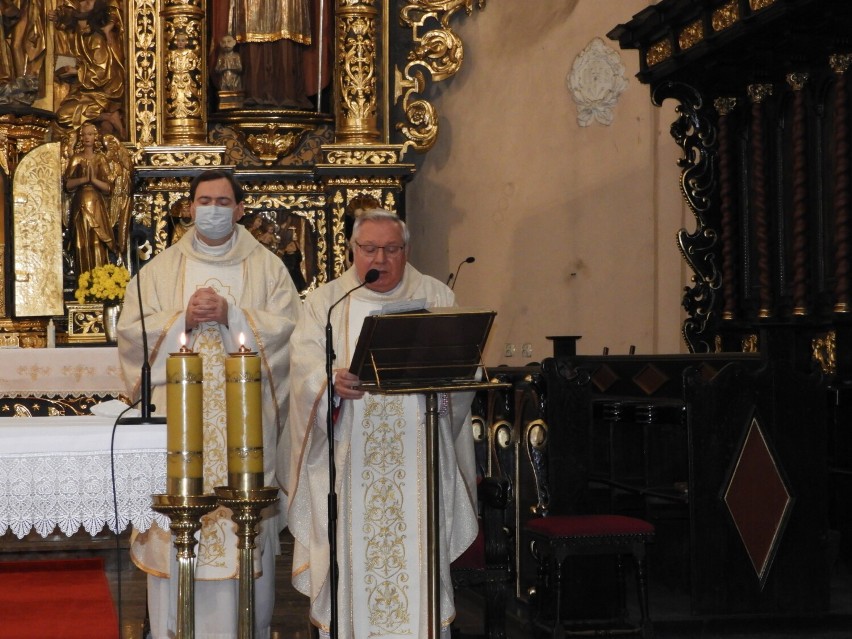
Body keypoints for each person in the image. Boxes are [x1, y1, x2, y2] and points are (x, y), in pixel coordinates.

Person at [116, 169, 302, 639]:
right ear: (190, 207)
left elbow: (292, 334)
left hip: (245, 437)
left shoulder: (268, 268)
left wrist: (232, 314)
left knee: (244, 550)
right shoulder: (160, 269)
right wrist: (180, 319)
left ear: (240, 210)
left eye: (222, 201)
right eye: (204, 200)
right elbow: (130, 333)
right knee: (177, 546)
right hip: (179, 431)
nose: (213, 210)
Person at [287, 208, 479, 638]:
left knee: (418, 570)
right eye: (369, 249)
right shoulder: (327, 302)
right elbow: (301, 373)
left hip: (419, 465)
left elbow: (467, 367)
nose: (381, 259)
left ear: (405, 250)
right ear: (353, 250)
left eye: (391, 249)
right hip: (350, 466)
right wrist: (329, 385)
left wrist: (447, 383)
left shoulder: (435, 297)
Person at [49, 0, 126, 136]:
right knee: (59, 120)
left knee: (63, 116)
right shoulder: (80, 36)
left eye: (87, 4)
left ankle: (107, 116)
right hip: (85, 91)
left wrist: (75, 71)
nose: (81, 5)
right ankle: (105, 121)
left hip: (101, 94)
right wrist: (64, 67)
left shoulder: (97, 39)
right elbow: (81, 60)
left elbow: (101, 73)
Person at [64, 121, 115, 274]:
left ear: (95, 137)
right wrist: (84, 180)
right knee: (82, 241)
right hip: (80, 204)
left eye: (90, 134)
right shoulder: (76, 159)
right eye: (84, 134)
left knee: (96, 241)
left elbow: (108, 187)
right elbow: (67, 185)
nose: (87, 137)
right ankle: (83, 279)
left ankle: (100, 278)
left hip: (96, 203)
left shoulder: (100, 159)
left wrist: (94, 181)